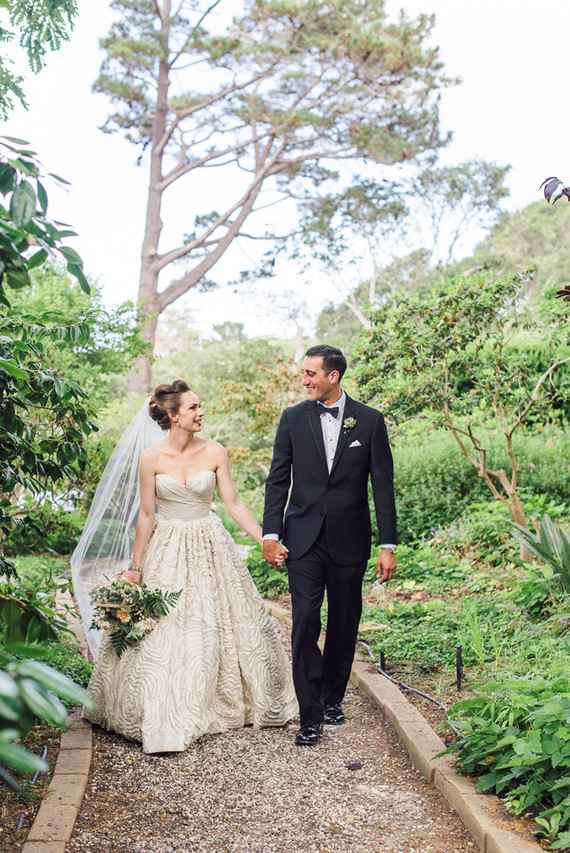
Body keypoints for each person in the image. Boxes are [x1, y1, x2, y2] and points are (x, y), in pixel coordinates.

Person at [77, 380, 297, 753]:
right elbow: (147, 514)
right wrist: (134, 567)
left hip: (210, 543)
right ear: (172, 415)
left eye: (200, 406)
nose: (201, 413)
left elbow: (234, 504)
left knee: (217, 622)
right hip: (167, 545)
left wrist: (266, 538)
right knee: (165, 628)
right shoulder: (151, 458)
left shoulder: (215, 451)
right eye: (193, 408)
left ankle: (219, 700)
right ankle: (161, 709)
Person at [262, 345, 397, 746]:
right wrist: (271, 535)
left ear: (332, 376)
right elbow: (277, 481)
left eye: (310, 373)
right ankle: (310, 714)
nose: (304, 380)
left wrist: (387, 543)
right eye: (303, 373)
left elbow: (382, 486)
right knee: (305, 621)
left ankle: (333, 697)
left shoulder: (370, 421)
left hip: (349, 539)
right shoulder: (292, 419)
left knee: (343, 621)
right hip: (301, 539)